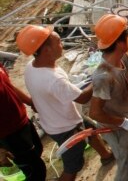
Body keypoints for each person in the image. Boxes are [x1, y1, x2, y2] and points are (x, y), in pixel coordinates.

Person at [18, 25, 114, 181]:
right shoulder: (54, 80)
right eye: (58, 42)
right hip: (66, 128)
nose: (61, 45)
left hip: (55, 120)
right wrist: (97, 77)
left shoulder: (32, 67)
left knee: (91, 130)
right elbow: (83, 98)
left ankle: (106, 155)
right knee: (73, 166)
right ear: (47, 50)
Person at [89, 14, 128, 181]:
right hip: (113, 125)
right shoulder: (104, 76)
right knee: (125, 162)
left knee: (127, 157)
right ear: (119, 42)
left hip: (125, 116)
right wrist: (124, 122)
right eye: (127, 33)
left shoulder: (123, 58)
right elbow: (94, 112)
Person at [0, 62, 46, 180]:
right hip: (9, 133)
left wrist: (31, 102)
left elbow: (8, 86)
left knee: (37, 151)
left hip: (21, 121)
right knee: (36, 170)